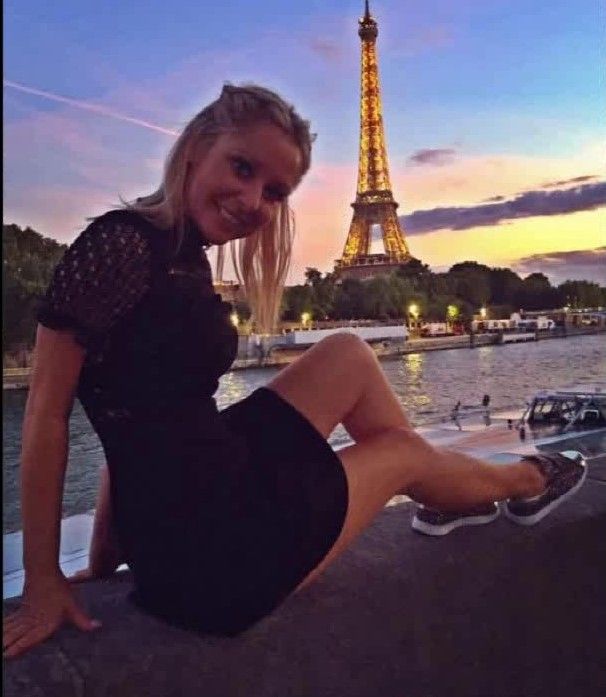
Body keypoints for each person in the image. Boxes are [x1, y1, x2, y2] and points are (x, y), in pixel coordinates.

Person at [3, 83, 587, 658]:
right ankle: (527, 481)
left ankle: (450, 493)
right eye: (242, 167)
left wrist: (105, 559)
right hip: (214, 560)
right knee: (401, 452)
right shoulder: (119, 246)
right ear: (196, 147)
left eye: (275, 191)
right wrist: (42, 580)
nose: (253, 199)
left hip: (201, 500)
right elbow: (46, 417)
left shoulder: (178, 254)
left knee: (346, 354)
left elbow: (135, 428)